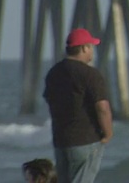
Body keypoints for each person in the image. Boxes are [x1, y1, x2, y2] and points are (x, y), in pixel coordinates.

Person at [43, 28, 113, 183]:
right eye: (91, 47)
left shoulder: (53, 73)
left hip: (61, 140)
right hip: (85, 140)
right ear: (83, 48)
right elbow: (102, 108)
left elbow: (49, 100)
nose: (92, 52)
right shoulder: (90, 74)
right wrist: (108, 134)